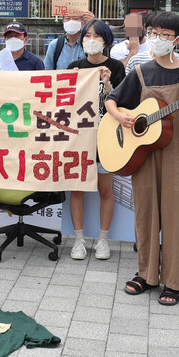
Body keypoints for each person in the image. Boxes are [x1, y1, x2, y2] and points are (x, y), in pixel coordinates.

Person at [105, 11, 179, 306]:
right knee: (146, 214)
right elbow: (113, 100)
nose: (157, 38)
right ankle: (146, 274)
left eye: (165, 35)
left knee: (178, 217)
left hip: (177, 153)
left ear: (176, 40)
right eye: (154, 32)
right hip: (143, 153)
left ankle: (174, 281)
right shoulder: (141, 72)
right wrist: (120, 116)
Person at [67, 20, 125, 260]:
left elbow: (122, 104)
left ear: (106, 41)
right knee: (77, 190)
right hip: (78, 138)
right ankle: (78, 239)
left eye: (97, 36)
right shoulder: (74, 66)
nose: (91, 40)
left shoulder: (116, 68)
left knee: (105, 189)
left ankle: (103, 239)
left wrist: (108, 83)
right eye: (87, 35)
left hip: (106, 138)